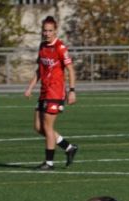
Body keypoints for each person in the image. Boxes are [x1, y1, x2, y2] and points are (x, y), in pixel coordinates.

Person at [24, 15, 78, 170]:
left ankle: (49, 163)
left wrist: (72, 90)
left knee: (47, 128)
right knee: (38, 127)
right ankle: (68, 147)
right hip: (44, 91)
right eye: (44, 31)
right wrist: (30, 88)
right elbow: (39, 70)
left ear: (55, 31)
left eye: (50, 31)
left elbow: (70, 69)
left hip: (55, 92)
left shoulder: (60, 48)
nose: (47, 33)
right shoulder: (42, 47)